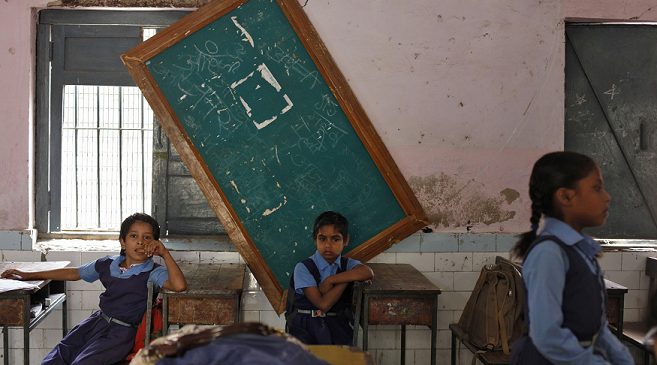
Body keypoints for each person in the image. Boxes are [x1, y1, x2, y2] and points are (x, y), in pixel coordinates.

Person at [1, 213, 187, 365]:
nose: (140, 242)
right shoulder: (107, 264)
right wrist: (26, 275)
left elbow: (179, 285)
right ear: (122, 242)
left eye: (147, 238)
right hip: (96, 324)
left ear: (154, 244)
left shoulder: (154, 271)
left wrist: (165, 253)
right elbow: (73, 273)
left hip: (121, 333)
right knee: (56, 358)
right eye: (133, 236)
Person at [509, 151, 634, 365]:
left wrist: (622, 360)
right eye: (597, 188)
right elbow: (548, 335)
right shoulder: (549, 253)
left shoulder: (579, 249)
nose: (607, 196)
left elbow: (596, 328)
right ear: (565, 197)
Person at [286, 211, 374, 345]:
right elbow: (323, 304)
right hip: (305, 328)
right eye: (322, 239)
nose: (328, 244)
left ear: (346, 240)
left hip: (337, 326)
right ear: (315, 239)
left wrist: (332, 280)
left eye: (335, 239)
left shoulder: (348, 264)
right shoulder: (303, 268)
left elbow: (368, 272)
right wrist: (348, 277)